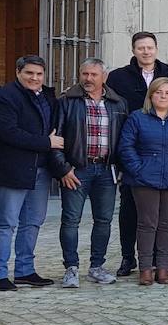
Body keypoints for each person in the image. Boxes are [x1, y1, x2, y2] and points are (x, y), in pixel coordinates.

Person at [106, 32, 168, 277]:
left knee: (163, 217)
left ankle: (160, 261)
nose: (146, 52)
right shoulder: (118, 77)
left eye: (150, 47)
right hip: (132, 154)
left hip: (166, 156)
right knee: (130, 210)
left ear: (156, 49)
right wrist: (126, 161)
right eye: (141, 48)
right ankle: (129, 257)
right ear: (134, 50)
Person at [0, 55, 62, 291]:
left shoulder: (47, 96)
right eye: (29, 73)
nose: (35, 78)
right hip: (13, 169)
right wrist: (46, 143)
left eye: (39, 74)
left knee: (33, 222)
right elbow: (9, 133)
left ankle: (25, 271)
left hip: (40, 169)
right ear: (18, 72)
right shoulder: (4, 97)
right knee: (6, 223)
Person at [50, 58, 128, 288]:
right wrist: (63, 168)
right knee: (71, 220)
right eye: (84, 74)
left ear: (104, 77)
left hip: (106, 171)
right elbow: (55, 138)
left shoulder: (118, 103)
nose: (88, 79)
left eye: (94, 74)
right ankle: (71, 268)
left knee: (103, 220)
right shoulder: (66, 101)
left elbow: (124, 140)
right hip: (76, 170)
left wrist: (122, 168)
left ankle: (96, 267)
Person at [118, 77, 168, 287]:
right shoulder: (137, 118)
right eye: (159, 92)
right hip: (144, 179)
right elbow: (126, 147)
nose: (163, 96)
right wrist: (139, 169)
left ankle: (163, 266)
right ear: (150, 95)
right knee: (147, 223)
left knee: (167, 224)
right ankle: (145, 268)